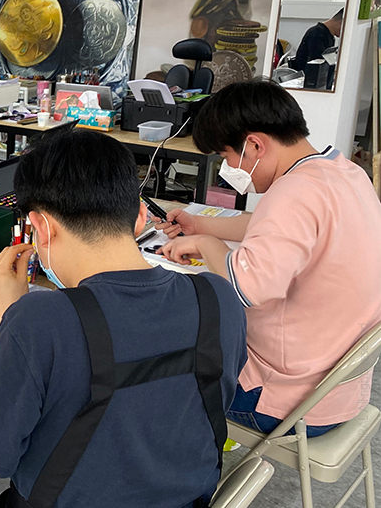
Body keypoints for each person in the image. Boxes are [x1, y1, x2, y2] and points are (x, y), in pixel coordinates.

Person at [0, 127, 247, 508]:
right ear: (140, 217)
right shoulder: (218, 299)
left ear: (40, 227)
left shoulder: (40, 321)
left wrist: (4, 315)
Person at [158, 80, 381, 437]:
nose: (227, 167)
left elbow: (245, 290)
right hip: (338, 388)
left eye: (226, 157)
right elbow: (274, 226)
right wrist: (201, 224)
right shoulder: (344, 172)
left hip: (285, 400)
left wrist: (206, 244)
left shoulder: (293, 192)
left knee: (157, 367)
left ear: (255, 145)